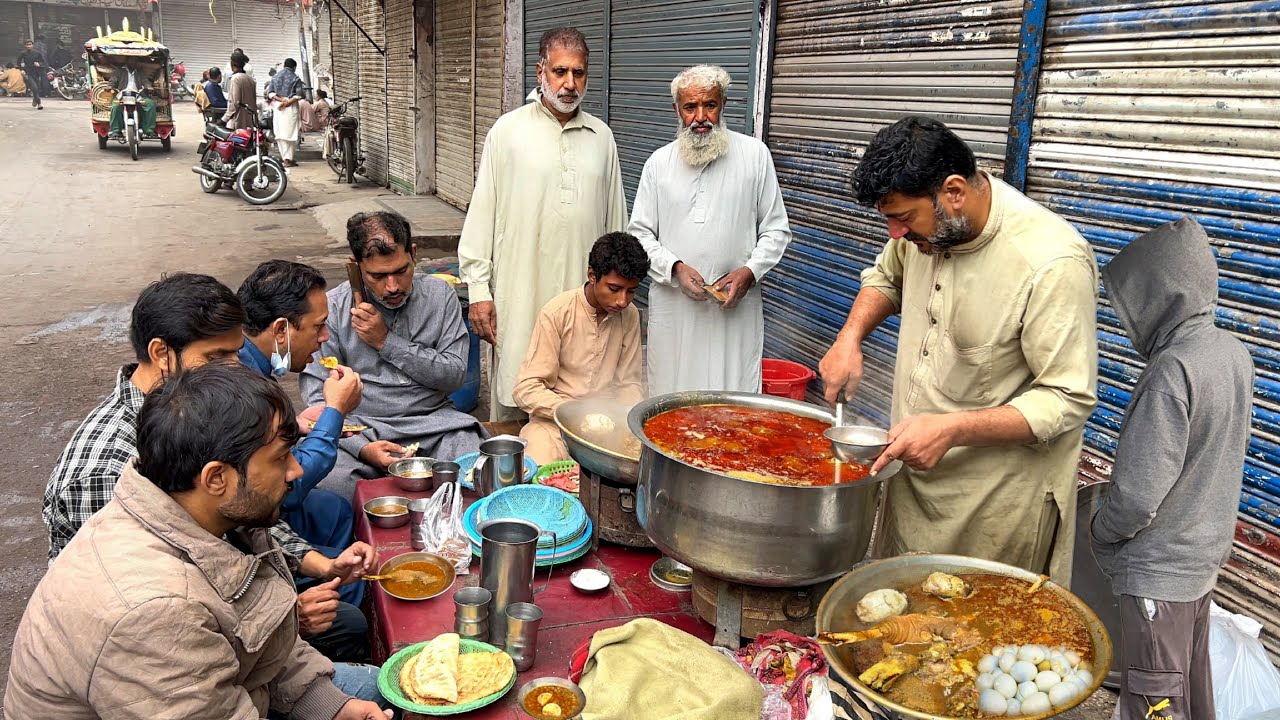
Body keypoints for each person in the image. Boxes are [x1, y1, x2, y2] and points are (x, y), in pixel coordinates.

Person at [8, 364, 391, 719]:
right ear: (215, 478)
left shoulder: (208, 515)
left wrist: (329, 706)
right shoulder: (154, 612)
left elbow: (261, 639)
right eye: (280, 458)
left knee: (370, 689)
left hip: (223, 690)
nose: (297, 470)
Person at [818, 116, 1099, 584]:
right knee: (898, 619)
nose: (894, 234)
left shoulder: (1051, 262)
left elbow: (1068, 398)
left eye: (903, 219)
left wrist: (953, 428)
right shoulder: (926, 234)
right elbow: (886, 277)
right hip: (913, 479)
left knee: (967, 639)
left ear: (953, 192)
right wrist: (849, 338)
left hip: (992, 506)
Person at [42, 273, 377, 663]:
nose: (234, 369)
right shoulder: (104, 471)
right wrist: (288, 620)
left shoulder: (197, 410)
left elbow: (241, 512)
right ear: (161, 353)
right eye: (217, 357)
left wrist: (322, 564)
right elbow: (134, 624)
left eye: (236, 354)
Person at [1090, 217, 1253, 720]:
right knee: (1188, 690)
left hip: (1161, 573)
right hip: (1202, 558)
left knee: (1154, 701)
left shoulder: (1173, 369)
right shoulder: (1233, 353)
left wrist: (1100, 529)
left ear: (1158, 297)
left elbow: (1139, 496)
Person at [458, 26, 626, 421]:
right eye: (560, 72)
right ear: (540, 72)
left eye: (579, 73)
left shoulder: (602, 138)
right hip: (520, 294)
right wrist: (479, 290)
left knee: (581, 403)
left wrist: (615, 290)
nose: (569, 84)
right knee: (517, 393)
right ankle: (515, 479)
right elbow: (482, 215)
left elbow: (616, 224)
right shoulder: (508, 131)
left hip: (581, 297)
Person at [630, 65, 792, 396]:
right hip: (675, 312)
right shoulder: (658, 165)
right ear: (676, 109)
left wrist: (750, 271)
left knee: (733, 402)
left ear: (724, 105)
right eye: (690, 107)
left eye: (710, 105)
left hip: (734, 314)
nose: (701, 117)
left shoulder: (755, 156)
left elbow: (777, 230)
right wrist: (674, 268)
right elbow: (640, 235)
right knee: (671, 401)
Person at [302, 211, 485, 500]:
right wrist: (363, 447)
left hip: (435, 423)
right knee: (329, 487)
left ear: (413, 253)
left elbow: (454, 375)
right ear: (356, 266)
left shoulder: (440, 296)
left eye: (401, 270)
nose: (393, 286)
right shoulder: (334, 310)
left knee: (477, 472)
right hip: (360, 428)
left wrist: (386, 342)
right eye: (378, 275)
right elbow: (316, 400)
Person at [237, 260, 366, 568]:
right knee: (351, 574)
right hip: (251, 519)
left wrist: (297, 424)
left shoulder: (253, 361)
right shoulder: (241, 385)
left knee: (335, 509)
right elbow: (288, 488)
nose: (324, 338)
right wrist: (335, 410)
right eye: (318, 326)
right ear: (281, 329)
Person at [513, 232, 649, 464]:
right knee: (539, 464)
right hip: (554, 426)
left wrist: (623, 421)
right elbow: (526, 388)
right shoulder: (556, 313)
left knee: (642, 463)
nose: (623, 301)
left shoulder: (630, 316)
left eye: (632, 291)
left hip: (609, 427)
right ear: (592, 275)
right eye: (614, 289)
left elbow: (629, 383)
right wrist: (574, 412)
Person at [108, 57, 158, 138]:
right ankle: (115, 130)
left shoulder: (139, 72)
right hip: (122, 96)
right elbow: (112, 81)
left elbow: (145, 81)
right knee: (115, 106)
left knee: (151, 104)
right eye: (131, 60)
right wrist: (109, 86)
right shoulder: (119, 71)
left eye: (135, 61)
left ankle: (149, 130)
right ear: (127, 61)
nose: (133, 62)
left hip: (137, 95)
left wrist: (149, 87)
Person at [268, 58, 306, 166]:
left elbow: (270, 93)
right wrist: (288, 102)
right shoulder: (295, 78)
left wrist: (281, 101)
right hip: (291, 107)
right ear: (294, 67)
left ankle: (285, 158)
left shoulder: (275, 77)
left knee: (280, 134)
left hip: (278, 107)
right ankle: (289, 159)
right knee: (291, 133)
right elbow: (298, 95)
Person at [223, 51, 256, 129]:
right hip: (250, 119)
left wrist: (224, 119)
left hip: (238, 119)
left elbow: (234, 103)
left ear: (233, 64)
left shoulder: (235, 79)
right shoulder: (250, 79)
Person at [16, 39, 44, 109]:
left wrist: (39, 64)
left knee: (37, 88)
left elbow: (43, 62)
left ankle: (35, 99)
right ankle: (39, 103)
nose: (29, 46)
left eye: (30, 45)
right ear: (25, 46)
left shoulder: (37, 53)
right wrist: (21, 70)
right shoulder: (23, 53)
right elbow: (18, 62)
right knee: (34, 87)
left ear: (32, 45)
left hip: (36, 72)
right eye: (27, 45)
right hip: (28, 72)